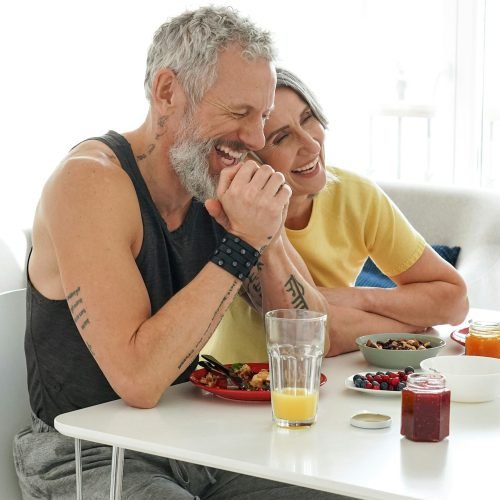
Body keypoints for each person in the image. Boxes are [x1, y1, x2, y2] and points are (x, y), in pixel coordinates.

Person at [13, 8, 348, 500]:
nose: (255, 139)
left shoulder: (215, 178)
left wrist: (267, 233)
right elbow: (140, 381)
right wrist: (243, 243)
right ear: (167, 91)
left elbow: (311, 340)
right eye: (239, 114)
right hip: (84, 454)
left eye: (261, 115)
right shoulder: (89, 183)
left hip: (189, 439)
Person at [204, 67, 469, 363]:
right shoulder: (233, 215)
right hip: (231, 387)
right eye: (281, 138)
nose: (312, 144)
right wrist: (409, 324)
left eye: (307, 118)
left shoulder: (355, 195)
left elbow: (455, 302)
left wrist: (352, 298)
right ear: (248, 158)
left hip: (329, 384)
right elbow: (309, 335)